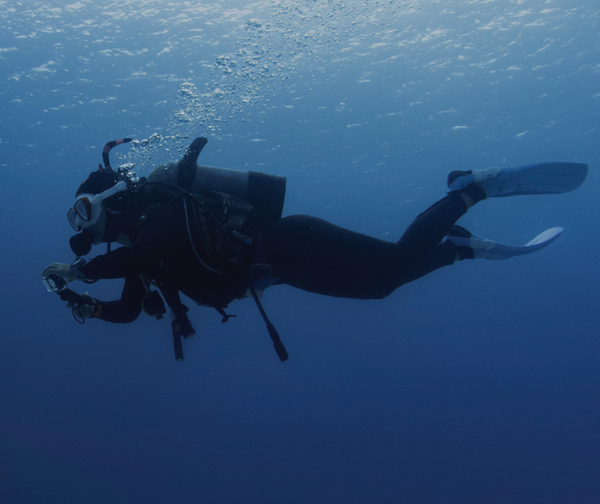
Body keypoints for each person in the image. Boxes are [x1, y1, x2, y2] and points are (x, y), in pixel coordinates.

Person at [42, 137, 588, 361]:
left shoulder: (156, 213)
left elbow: (136, 259)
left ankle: (470, 188)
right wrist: (86, 305)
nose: (87, 225)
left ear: (108, 200)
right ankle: (459, 249)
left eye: (84, 212)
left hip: (288, 240)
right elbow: (129, 308)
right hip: (278, 269)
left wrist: (80, 270)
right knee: (379, 288)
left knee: (394, 262)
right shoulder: (140, 251)